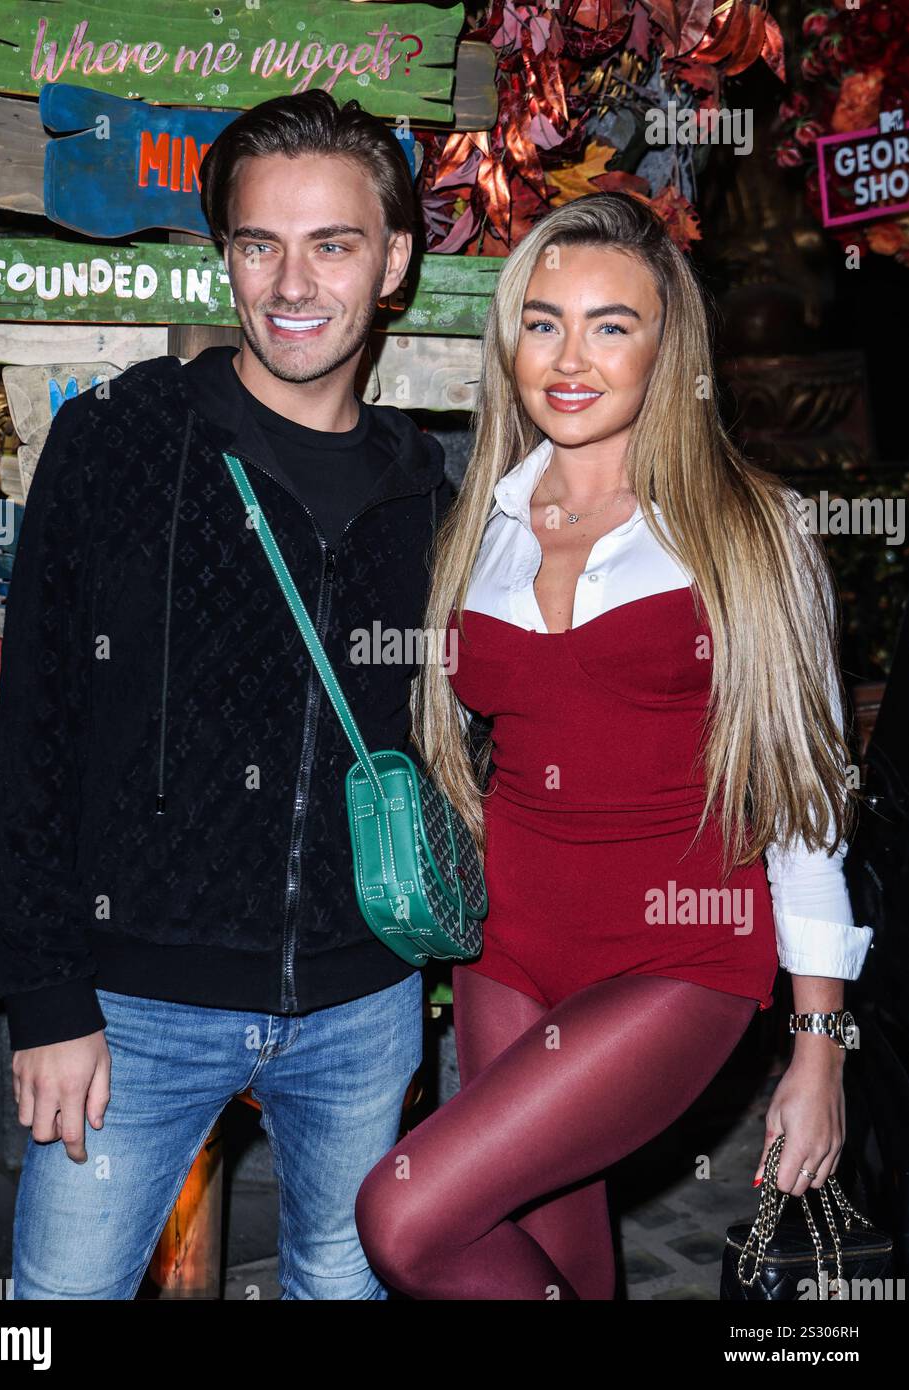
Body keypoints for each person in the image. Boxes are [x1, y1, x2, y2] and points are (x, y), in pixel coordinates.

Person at [354, 191, 874, 1300]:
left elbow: (805, 808)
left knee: (403, 1213)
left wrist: (819, 1047)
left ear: (666, 347)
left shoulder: (749, 533)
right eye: (543, 322)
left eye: (610, 325)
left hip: (678, 959)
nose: (569, 357)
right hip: (506, 950)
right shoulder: (481, 528)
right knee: (557, 1262)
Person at [0, 89, 454, 1300]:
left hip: (363, 1002)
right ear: (225, 257)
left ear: (394, 261)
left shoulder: (430, 495)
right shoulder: (119, 442)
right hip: (131, 1010)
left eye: (333, 244)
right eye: (260, 243)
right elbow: (34, 725)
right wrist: (44, 996)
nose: (292, 283)